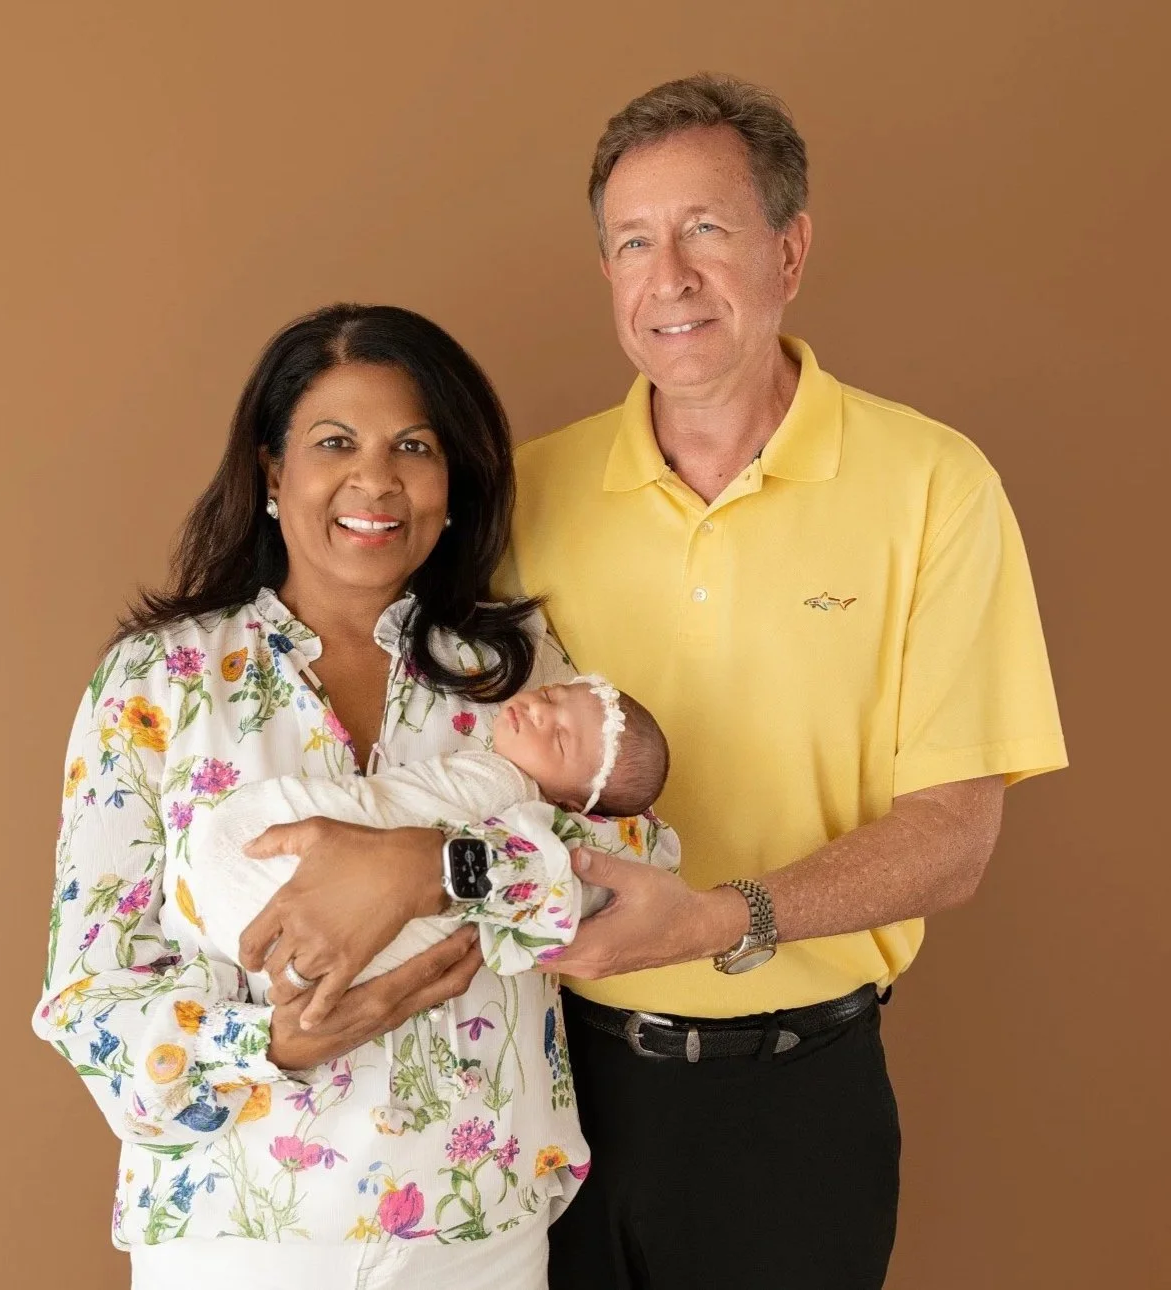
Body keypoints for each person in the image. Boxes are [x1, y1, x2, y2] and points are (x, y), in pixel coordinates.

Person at [497, 75, 1069, 1289]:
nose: (671, 277)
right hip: (539, 1085)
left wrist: (720, 919)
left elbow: (955, 837)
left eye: (706, 229)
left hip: (793, 1106)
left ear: (790, 248)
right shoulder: (523, 498)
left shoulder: (935, 487)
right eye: (634, 243)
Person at [31, 304, 676, 1290]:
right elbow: (91, 995)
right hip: (236, 1237)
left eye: (412, 446)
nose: (376, 480)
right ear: (272, 471)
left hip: (476, 1232)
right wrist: (270, 1041)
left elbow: (630, 880)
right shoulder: (155, 684)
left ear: (452, 479)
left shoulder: (516, 674)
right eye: (336, 442)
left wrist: (432, 869)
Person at [189, 675, 672, 1090]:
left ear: (571, 806)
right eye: (549, 694)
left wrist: (420, 868)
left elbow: (585, 875)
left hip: (492, 1142)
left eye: (562, 739)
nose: (541, 710)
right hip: (262, 951)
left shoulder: (516, 798)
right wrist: (265, 1045)